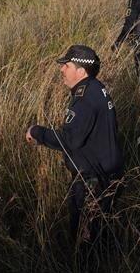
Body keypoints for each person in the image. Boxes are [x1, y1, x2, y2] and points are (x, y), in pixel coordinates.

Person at [25, 45, 124, 245]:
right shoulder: (98, 89)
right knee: (101, 232)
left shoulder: (85, 98)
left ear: (81, 71)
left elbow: (71, 140)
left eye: (66, 66)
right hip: (108, 172)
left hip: (92, 179)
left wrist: (37, 132)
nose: (62, 70)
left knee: (84, 238)